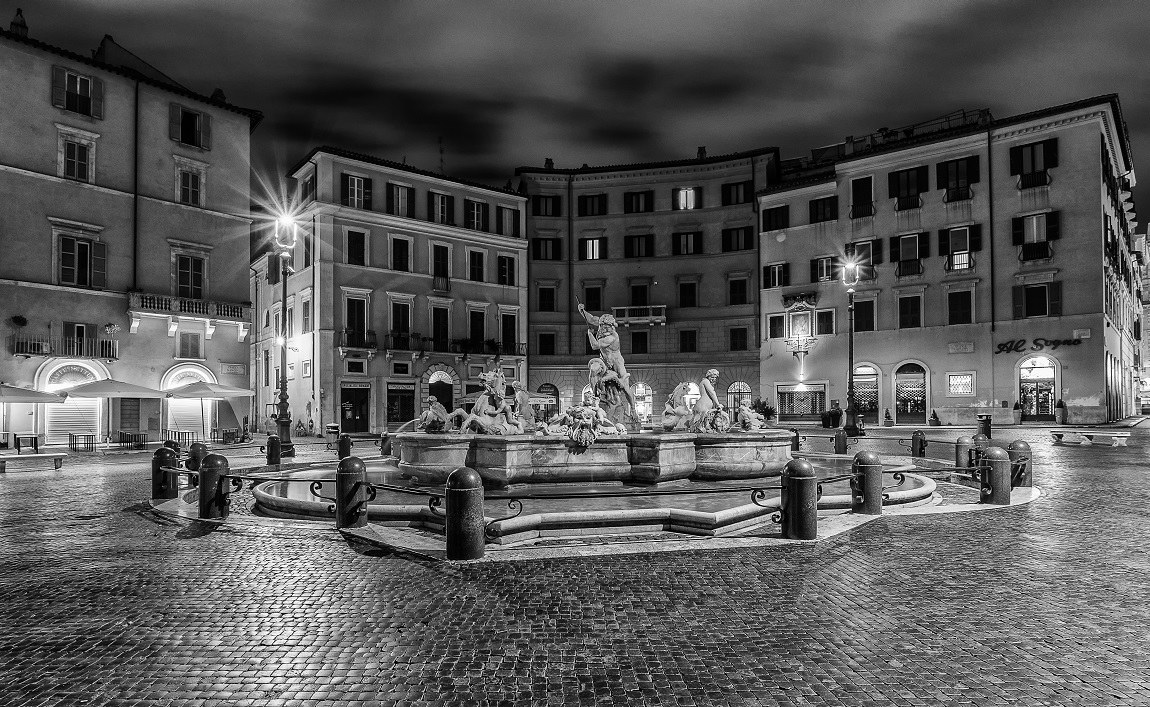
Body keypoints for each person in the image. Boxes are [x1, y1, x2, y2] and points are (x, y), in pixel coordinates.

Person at [578, 303, 637, 418]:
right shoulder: (601, 325)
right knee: (593, 369)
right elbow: (590, 319)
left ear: (612, 326)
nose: (604, 328)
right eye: (602, 326)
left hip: (616, 362)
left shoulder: (612, 337)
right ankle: (595, 394)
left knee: (625, 386)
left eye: (607, 327)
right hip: (604, 361)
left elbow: (595, 346)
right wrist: (582, 311)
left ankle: (633, 410)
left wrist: (590, 334)